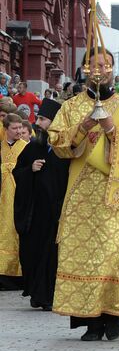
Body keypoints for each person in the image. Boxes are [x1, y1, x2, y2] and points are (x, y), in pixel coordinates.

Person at [48, 49, 119, 341]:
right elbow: (57, 142)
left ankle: (113, 317)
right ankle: (91, 321)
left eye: (105, 65)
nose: (100, 69)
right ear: (84, 69)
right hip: (80, 194)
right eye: (94, 65)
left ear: (114, 70)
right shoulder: (71, 106)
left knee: (112, 254)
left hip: (114, 194)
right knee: (81, 256)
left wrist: (111, 128)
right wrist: (84, 126)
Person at [12, 99, 67, 310]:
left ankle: (50, 296)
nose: (38, 123)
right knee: (33, 253)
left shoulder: (65, 151)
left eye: (42, 119)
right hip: (36, 214)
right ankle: (37, 294)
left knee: (52, 256)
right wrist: (30, 170)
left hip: (57, 213)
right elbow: (18, 172)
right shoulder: (34, 147)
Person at [0, 113, 29, 282]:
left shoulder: (26, 147)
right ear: (6, 130)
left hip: (20, 197)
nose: (19, 131)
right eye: (15, 128)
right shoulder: (1, 147)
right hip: (2, 197)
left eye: (20, 128)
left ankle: (18, 275)